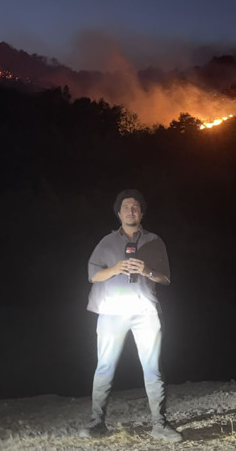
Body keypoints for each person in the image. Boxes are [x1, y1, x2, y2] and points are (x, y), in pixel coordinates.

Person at [78, 189, 182, 443]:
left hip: (145, 312)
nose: (131, 211)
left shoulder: (155, 241)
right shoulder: (106, 242)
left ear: (141, 212)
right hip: (112, 312)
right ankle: (97, 422)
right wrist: (114, 269)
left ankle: (159, 424)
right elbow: (93, 275)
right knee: (104, 366)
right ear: (119, 212)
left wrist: (147, 270)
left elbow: (165, 278)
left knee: (152, 369)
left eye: (135, 207)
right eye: (126, 207)